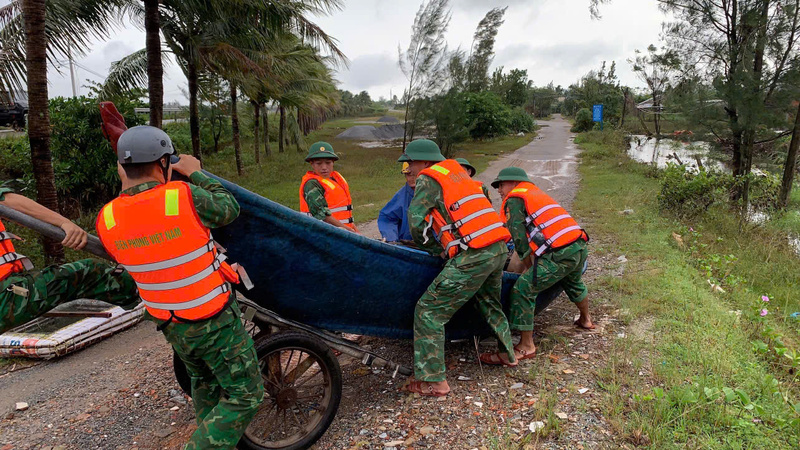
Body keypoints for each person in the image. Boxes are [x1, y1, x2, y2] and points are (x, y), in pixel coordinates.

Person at [95, 125, 263, 450]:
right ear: (163, 164)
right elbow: (229, 208)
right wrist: (196, 172)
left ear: (120, 167)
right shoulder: (182, 195)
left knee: (205, 384)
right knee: (247, 394)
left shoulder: (107, 219)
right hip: (213, 320)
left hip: (172, 325)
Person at [402, 139, 517, 397]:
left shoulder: (428, 178)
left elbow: (416, 221)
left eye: (412, 163)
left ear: (427, 163)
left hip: (474, 254)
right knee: (489, 301)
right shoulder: (458, 175)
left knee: (429, 311)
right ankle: (507, 354)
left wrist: (435, 249)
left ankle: (433, 381)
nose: (408, 169)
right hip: (497, 248)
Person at [485, 167, 592, 361]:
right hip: (578, 246)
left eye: (501, 185)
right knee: (573, 282)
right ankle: (586, 320)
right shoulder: (535, 195)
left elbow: (519, 240)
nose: (499, 190)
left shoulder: (515, 199)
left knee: (523, 289)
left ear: (515, 183)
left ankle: (526, 345)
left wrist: (528, 267)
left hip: (559, 253)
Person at [0, 184, 138, 333]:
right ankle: (147, 295)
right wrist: (63, 223)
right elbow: (8, 202)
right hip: (6, 296)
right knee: (90, 271)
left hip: (9, 291)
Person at [299, 141, 359, 233]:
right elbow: (322, 215)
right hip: (322, 233)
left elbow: (343, 213)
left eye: (328, 163)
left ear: (333, 162)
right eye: (319, 164)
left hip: (341, 231)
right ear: (312, 164)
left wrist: (352, 227)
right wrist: (348, 231)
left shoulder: (335, 179)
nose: (324, 167)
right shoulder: (312, 184)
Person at [377, 158, 415, 243]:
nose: (411, 179)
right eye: (408, 175)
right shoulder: (403, 195)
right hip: (408, 245)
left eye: (414, 175)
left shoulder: (435, 192)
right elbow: (387, 217)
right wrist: (391, 239)